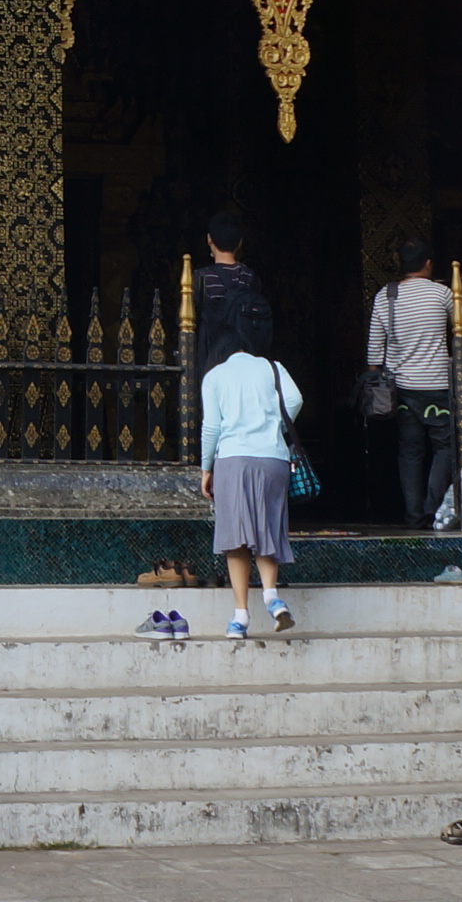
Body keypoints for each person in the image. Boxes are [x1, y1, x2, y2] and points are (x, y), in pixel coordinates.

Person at [197, 301, 301, 638]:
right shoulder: (272, 368)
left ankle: (240, 618)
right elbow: (296, 400)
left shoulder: (215, 376)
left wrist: (206, 468)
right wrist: (275, 429)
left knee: (236, 540)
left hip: (233, 461)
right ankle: (272, 596)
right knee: (268, 530)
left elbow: (211, 428)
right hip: (273, 460)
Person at [364, 237, 460, 529]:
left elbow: (373, 352)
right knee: (444, 448)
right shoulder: (443, 293)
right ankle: (432, 508)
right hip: (438, 386)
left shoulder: (386, 295)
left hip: (402, 389)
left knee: (409, 452)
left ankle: (413, 515)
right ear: (428, 263)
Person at [189, 212, 269, 381]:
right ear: (240, 243)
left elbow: (188, 323)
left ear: (209, 239)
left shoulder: (201, 278)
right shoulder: (251, 278)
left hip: (213, 359)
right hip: (248, 358)